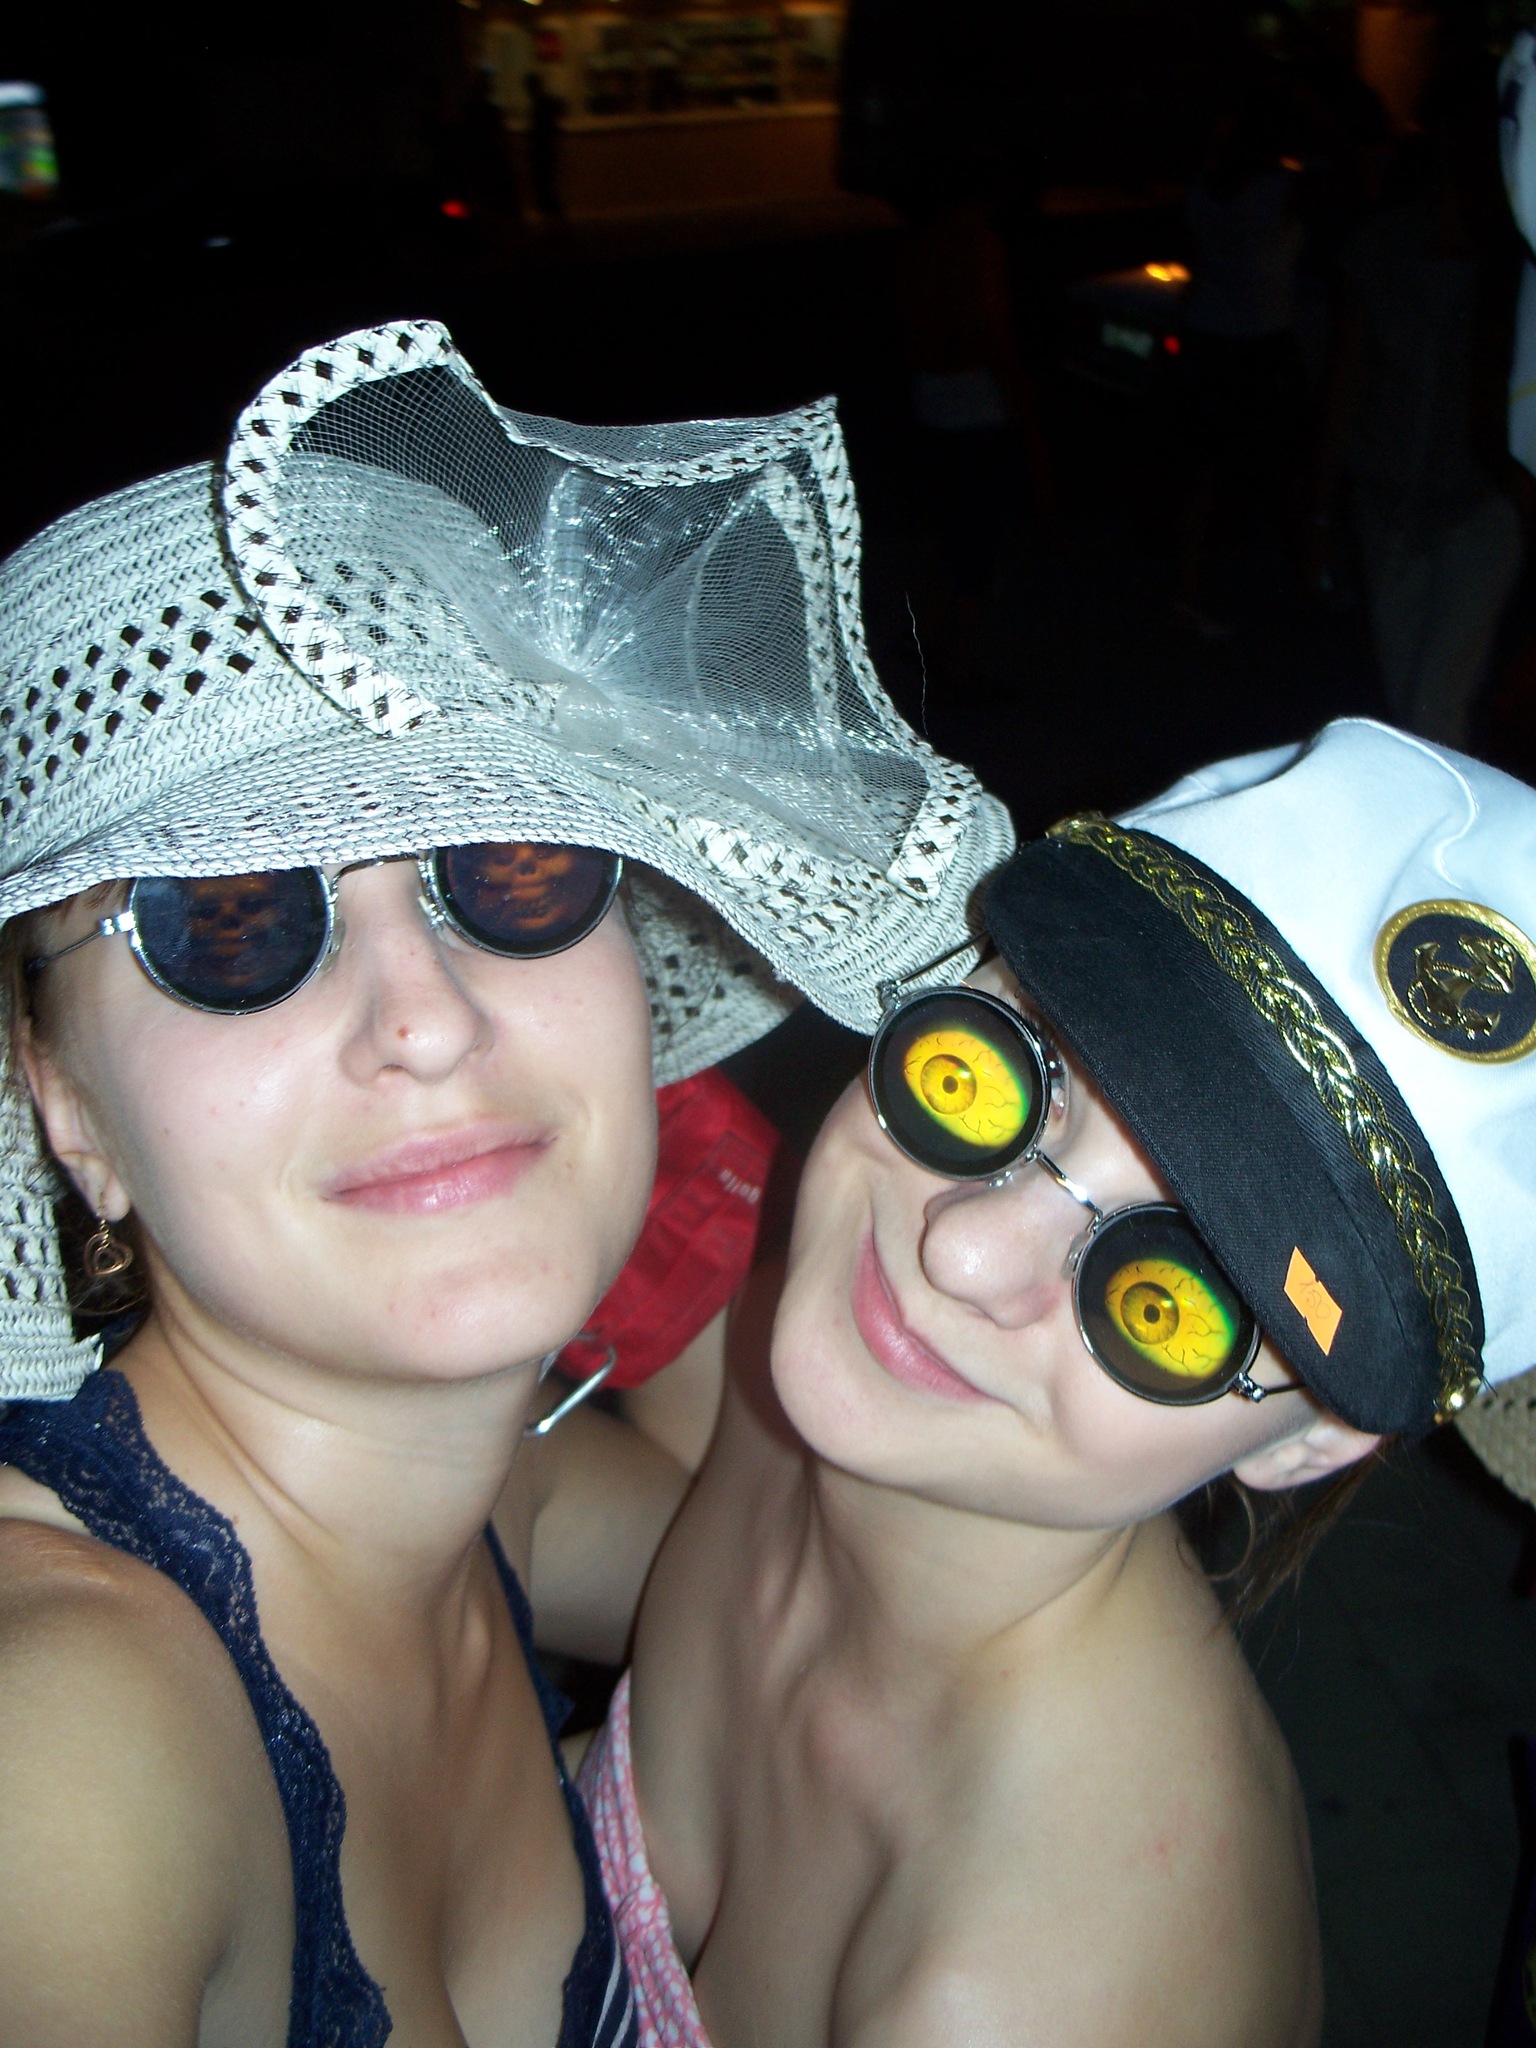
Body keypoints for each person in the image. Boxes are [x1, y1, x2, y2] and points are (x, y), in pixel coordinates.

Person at [0, 318, 1011, 2043]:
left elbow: (852, 1564)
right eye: (226, 921)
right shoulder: (70, 1740)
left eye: (510, 867)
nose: (427, 1016)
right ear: (67, 1110)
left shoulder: (481, 1505)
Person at [580, 717, 1536, 2047]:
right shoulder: (835, 1368)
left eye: (1171, 1300)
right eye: (995, 1079)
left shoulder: (1015, 1996)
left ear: (1309, 1441)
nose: (965, 1251)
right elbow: (653, 1555)